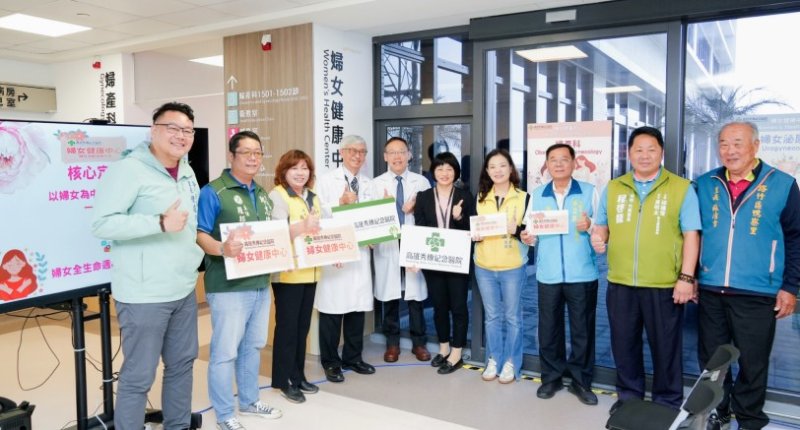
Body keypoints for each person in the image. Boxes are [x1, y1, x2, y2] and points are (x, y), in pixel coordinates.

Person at [91, 102, 204, 430]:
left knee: (182, 365)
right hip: (144, 294)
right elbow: (102, 223)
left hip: (183, 287)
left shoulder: (187, 171)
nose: (181, 136)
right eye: (173, 128)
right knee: (139, 376)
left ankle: (177, 426)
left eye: (188, 130)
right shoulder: (128, 170)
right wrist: (158, 222)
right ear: (154, 130)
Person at [695, 121, 800, 430]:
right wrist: (690, 276)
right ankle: (717, 411)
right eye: (724, 144)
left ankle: (750, 418)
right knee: (713, 361)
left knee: (753, 361)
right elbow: (691, 234)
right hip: (711, 287)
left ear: (755, 146)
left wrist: (791, 286)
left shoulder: (782, 184)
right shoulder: (704, 184)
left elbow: (796, 237)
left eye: (738, 143)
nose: (730, 150)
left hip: (758, 290)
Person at [591, 126, 700, 415]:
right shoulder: (614, 187)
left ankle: (667, 402)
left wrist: (686, 278)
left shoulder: (681, 188)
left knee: (666, 347)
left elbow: (691, 235)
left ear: (661, 152)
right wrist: (598, 238)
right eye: (638, 149)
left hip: (664, 284)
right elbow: (602, 227)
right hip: (621, 282)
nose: (645, 155)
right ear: (629, 153)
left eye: (651, 149)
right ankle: (629, 398)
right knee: (623, 344)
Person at [196, 131, 282, 430]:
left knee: (253, 346)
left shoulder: (261, 193)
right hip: (228, 287)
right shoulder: (214, 191)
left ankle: (248, 401)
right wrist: (223, 248)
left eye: (257, 152)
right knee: (224, 353)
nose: (253, 158)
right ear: (231, 155)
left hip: (259, 283)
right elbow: (200, 234)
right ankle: (224, 414)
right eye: (246, 152)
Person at [521, 143, 599, 405]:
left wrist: (590, 225)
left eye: (564, 159)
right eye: (553, 159)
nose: (558, 164)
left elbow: (603, 228)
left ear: (574, 163)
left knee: (582, 331)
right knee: (549, 329)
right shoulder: (537, 194)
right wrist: (527, 237)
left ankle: (581, 381)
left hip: (582, 273)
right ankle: (551, 378)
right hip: (549, 274)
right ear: (547, 165)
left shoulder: (589, 191)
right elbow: (531, 233)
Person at [315, 135, 377, 383]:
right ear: (342, 152)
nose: (358, 156)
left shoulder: (368, 183)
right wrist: (339, 202)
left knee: (357, 309)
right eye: (353, 150)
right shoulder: (325, 181)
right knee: (332, 310)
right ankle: (330, 362)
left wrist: (375, 235)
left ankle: (353, 357)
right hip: (336, 254)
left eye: (362, 152)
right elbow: (316, 214)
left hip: (360, 254)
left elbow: (373, 216)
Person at [268, 149, 322, 404]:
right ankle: (283, 380)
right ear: (284, 171)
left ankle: (298, 376)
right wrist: (302, 226)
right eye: (294, 168)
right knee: (287, 329)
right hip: (288, 273)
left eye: (305, 168)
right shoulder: (278, 195)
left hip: (310, 271)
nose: (300, 173)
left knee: (302, 329)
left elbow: (325, 229)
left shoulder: (312, 197)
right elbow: (276, 233)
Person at [414, 152, 475, 374]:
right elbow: (419, 229)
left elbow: (472, 228)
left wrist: (459, 217)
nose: (444, 173)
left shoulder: (465, 196)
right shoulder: (423, 197)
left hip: (457, 260)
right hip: (434, 259)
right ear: (433, 172)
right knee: (439, 306)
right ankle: (443, 348)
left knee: (458, 307)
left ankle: (456, 352)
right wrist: (416, 258)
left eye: (449, 169)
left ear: (456, 172)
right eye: (440, 169)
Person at [473, 148, 530, 384]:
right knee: (492, 317)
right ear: (487, 171)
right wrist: (474, 235)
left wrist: (516, 230)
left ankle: (511, 362)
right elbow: (474, 229)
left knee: (513, 317)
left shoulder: (524, 197)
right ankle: (494, 359)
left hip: (512, 266)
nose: (498, 170)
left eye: (502, 165)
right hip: (484, 266)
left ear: (511, 168)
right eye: (492, 166)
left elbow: (530, 234)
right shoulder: (480, 197)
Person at [373, 136, 432, 363]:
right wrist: (383, 208)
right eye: (392, 152)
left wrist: (416, 208)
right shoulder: (375, 185)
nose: (397, 156)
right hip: (388, 245)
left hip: (413, 243)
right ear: (385, 157)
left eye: (401, 151)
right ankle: (392, 343)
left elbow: (429, 217)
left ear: (409, 155)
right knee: (390, 297)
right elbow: (369, 219)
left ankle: (419, 343)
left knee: (415, 298)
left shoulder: (421, 182)